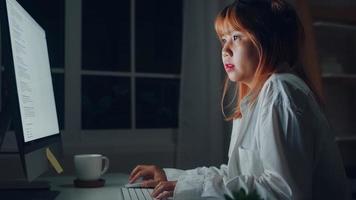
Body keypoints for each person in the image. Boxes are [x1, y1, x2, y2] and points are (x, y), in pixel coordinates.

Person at [128, 0, 351, 199]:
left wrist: (191, 190)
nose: (225, 49)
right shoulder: (258, 97)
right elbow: (238, 176)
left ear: (266, 40)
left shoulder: (280, 90)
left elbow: (283, 192)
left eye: (236, 37)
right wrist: (173, 179)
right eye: (223, 40)